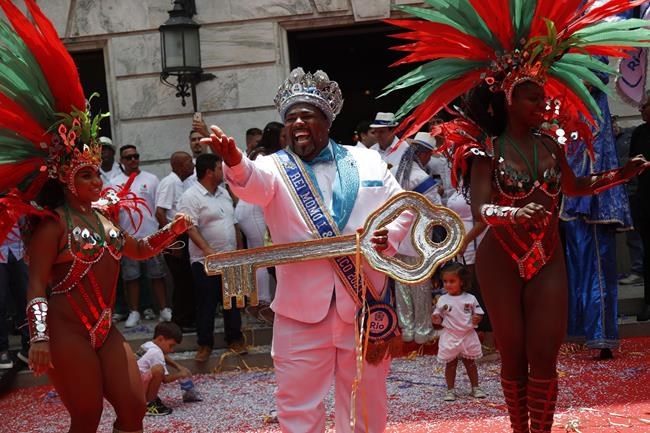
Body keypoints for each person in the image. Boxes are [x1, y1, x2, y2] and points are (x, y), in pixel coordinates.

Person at [383, 2, 649, 432]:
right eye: (532, 95)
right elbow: (480, 209)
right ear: (508, 97)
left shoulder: (551, 145)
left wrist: (621, 173)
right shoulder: (485, 150)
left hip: (548, 257)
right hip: (500, 259)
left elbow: (576, 187)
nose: (542, 103)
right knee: (513, 352)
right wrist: (512, 211)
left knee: (545, 353)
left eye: (543, 94)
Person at [0, 4, 194, 432]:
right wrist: (40, 337)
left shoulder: (106, 218)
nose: (95, 178)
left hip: (104, 329)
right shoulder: (52, 224)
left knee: (132, 407)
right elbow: (35, 286)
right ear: (67, 180)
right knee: (85, 416)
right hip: (65, 333)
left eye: (95, 171)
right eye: (85, 173)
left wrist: (173, 230)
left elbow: (140, 250)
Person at [202, 67, 411, 433]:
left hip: (364, 306)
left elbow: (403, 206)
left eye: (307, 115)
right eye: (291, 117)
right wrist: (234, 162)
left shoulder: (366, 160)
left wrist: (388, 236)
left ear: (326, 122)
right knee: (297, 410)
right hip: (299, 313)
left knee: (367, 407)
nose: (298, 122)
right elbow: (250, 185)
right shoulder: (272, 167)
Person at [560, 77, 632, 359]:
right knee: (576, 268)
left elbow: (597, 74)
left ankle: (603, 337)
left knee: (599, 270)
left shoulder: (594, 112)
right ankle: (582, 333)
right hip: (572, 199)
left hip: (596, 203)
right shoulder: (567, 116)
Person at [178, 153, 246, 362]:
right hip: (205, 260)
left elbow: (233, 223)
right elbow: (189, 227)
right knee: (206, 303)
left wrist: (241, 250)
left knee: (233, 301)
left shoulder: (224, 193)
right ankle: (204, 344)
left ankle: (235, 339)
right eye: (219, 168)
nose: (222, 172)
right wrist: (207, 250)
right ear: (209, 172)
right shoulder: (190, 196)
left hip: (230, 258)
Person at [113, 145, 171, 327]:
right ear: (121, 161)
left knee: (158, 275)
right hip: (128, 238)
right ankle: (134, 312)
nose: (132, 160)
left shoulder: (152, 179)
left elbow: (158, 208)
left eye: (135, 156)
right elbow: (112, 213)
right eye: (128, 158)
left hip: (151, 236)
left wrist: (164, 235)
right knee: (131, 278)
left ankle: (163, 310)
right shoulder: (113, 183)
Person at [393, 131, 441, 344]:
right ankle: (423, 331)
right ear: (423, 154)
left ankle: (407, 328)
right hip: (419, 238)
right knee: (420, 284)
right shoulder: (421, 178)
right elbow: (438, 210)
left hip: (397, 238)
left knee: (401, 283)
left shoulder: (396, 173)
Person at [432, 262, 486, 402]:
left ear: (461, 282)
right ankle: (450, 390)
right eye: (445, 281)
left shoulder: (470, 298)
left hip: (468, 335)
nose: (448, 284)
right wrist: (436, 318)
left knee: (470, 363)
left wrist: (476, 319)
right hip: (450, 335)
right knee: (451, 364)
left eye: (452, 281)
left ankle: (475, 387)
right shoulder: (442, 299)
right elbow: (437, 318)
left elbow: (479, 314)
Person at [234, 147, 275, 325]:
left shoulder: (252, 166)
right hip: (252, 211)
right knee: (262, 259)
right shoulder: (260, 163)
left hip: (247, 209)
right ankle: (263, 303)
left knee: (257, 258)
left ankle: (259, 301)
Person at [155, 152, 196, 331]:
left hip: (182, 235)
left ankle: (187, 318)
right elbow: (160, 213)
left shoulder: (180, 182)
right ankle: (180, 321)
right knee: (181, 281)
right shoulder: (170, 182)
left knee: (186, 280)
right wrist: (172, 241)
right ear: (179, 165)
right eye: (188, 161)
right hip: (174, 237)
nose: (191, 164)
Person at [136, 321, 200, 417]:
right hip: (136, 389)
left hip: (131, 386)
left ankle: (146, 398)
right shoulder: (156, 353)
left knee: (156, 370)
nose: (172, 350)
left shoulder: (148, 345)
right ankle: (149, 404)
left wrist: (178, 366)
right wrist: (180, 374)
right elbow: (165, 380)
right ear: (161, 339)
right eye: (171, 345)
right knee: (158, 370)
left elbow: (162, 355)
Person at [630, 100, 650, 321]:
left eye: (646, 105)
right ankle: (648, 301)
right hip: (644, 200)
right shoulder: (639, 133)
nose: (641, 109)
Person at [0, 226, 30, 369]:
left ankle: (29, 345)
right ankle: (2, 349)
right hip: (1, 253)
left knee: (26, 298)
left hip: (19, 250)